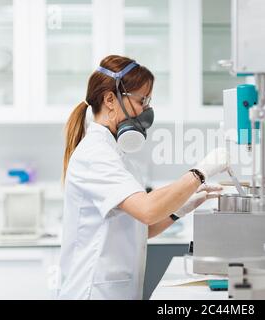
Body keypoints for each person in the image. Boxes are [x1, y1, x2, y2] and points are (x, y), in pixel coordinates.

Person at [58, 55, 229, 300]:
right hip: (92, 292)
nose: (146, 110)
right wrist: (201, 172)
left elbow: (140, 227)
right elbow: (147, 209)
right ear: (110, 100)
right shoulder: (95, 155)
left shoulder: (115, 153)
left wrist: (180, 209)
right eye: (142, 100)